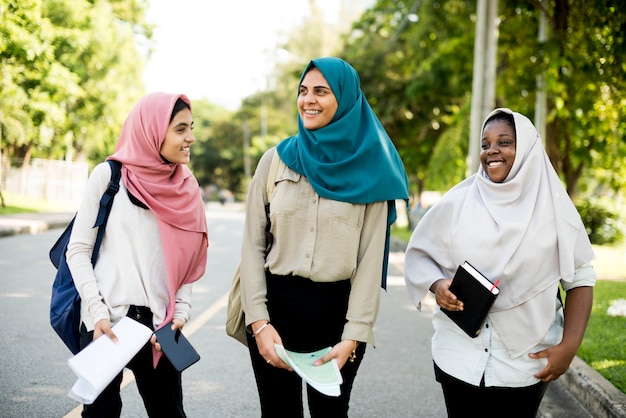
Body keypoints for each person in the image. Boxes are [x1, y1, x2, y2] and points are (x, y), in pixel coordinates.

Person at [238, 56, 409, 417]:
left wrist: (354, 335)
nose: (308, 100)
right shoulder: (275, 161)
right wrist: (259, 322)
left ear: (345, 99)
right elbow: (252, 247)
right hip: (276, 313)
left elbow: (368, 261)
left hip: (336, 317)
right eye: (303, 91)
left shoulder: (373, 171)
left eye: (321, 91)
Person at [404, 108, 596, 417]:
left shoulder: (556, 210)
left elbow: (582, 279)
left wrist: (569, 347)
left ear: (528, 149)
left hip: (524, 363)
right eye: (485, 144)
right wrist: (439, 285)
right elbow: (422, 255)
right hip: (458, 356)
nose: (492, 150)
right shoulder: (458, 201)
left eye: (504, 141)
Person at [66, 92, 208, 417]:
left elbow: (186, 264)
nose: (191, 137)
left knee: (169, 412)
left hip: (162, 327)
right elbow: (78, 250)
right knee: (100, 414)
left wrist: (179, 316)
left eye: (191, 127)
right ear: (153, 130)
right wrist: (97, 313)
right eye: (181, 129)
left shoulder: (187, 186)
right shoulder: (108, 176)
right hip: (108, 321)